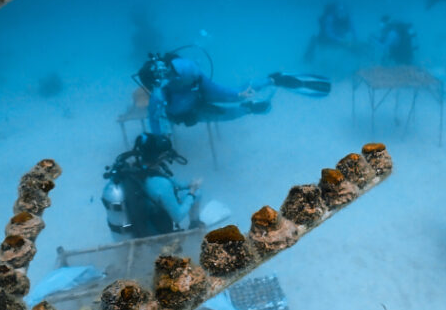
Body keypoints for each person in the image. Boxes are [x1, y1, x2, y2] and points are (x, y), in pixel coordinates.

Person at [137, 50, 331, 136]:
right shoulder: (163, 89)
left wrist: (160, 140)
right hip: (194, 103)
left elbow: (155, 120)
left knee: (234, 101)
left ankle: (267, 86)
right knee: (232, 104)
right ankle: (265, 88)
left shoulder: (164, 90)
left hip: (194, 102)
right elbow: (155, 118)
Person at [102, 132, 202, 239]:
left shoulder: (136, 169)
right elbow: (178, 216)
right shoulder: (161, 184)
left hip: (141, 223)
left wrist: (188, 185)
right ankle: (194, 226)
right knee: (198, 194)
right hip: (155, 234)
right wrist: (192, 192)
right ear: (160, 156)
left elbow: (172, 183)